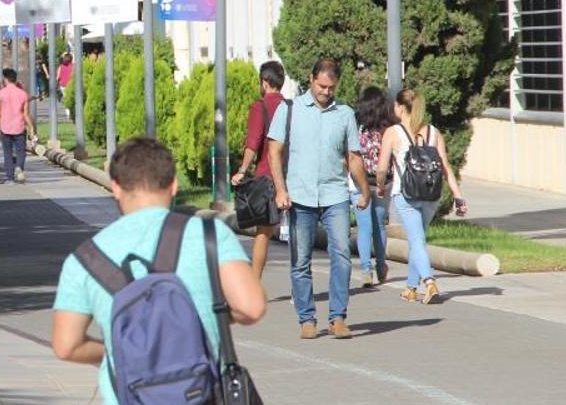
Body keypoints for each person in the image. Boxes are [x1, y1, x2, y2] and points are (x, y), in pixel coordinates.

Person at [51, 138, 267, 404]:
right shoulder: (208, 235)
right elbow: (252, 307)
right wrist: (211, 315)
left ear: (116, 188)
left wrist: (118, 350)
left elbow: (66, 345)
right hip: (205, 393)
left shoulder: (84, 258)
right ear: (174, 185)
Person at [267, 58, 371, 339]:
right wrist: (280, 189)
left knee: (342, 257)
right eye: (321, 86)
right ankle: (307, 318)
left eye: (331, 87)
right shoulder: (289, 109)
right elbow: (274, 151)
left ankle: (338, 317)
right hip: (299, 196)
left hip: (335, 195)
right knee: (301, 261)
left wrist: (365, 190)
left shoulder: (345, 114)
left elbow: (353, 157)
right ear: (311, 79)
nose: (326, 92)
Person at [376, 88, 468, 305]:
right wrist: (458, 196)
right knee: (418, 240)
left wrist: (380, 186)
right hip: (431, 194)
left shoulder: (393, 132)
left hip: (405, 193)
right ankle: (410, 288)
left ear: (400, 107)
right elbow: (445, 166)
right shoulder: (433, 132)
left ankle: (429, 283)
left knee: (416, 241)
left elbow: (381, 167)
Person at [229, 60, 286, 279]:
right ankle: (299, 288)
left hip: (268, 178)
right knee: (299, 234)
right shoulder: (291, 107)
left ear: (264, 82)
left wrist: (242, 170)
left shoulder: (259, 107)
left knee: (263, 233)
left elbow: (253, 143)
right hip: (294, 176)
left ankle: (254, 280)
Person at [352, 86, 398, 287]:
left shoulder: (356, 124)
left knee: (364, 227)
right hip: (383, 182)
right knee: (379, 225)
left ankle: (365, 269)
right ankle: (381, 265)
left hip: (359, 181)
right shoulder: (389, 127)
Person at [0, 68, 33, 184]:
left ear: (5, 79)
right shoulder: (23, 94)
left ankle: (10, 178)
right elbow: (25, 114)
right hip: (19, 127)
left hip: (5, 127)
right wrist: (31, 127)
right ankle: (19, 167)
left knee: (7, 153)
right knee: (21, 151)